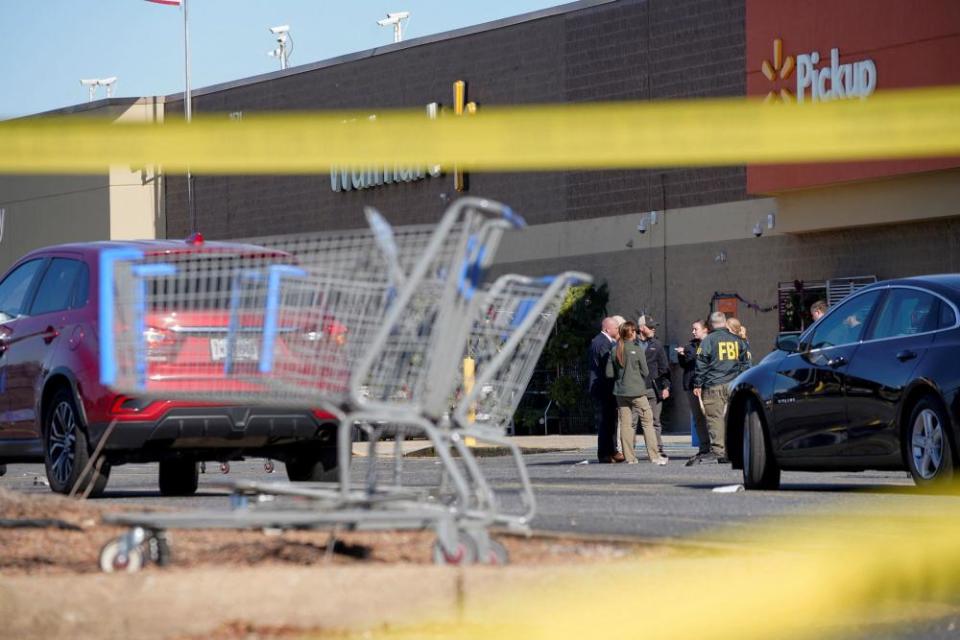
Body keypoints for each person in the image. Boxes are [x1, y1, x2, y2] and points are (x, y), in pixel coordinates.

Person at [686, 311, 749, 465]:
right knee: (732, 418)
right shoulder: (738, 340)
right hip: (733, 384)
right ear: (724, 322)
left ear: (711, 324)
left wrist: (698, 384)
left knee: (715, 419)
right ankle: (733, 450)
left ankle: (719, 451)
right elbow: (745, 362)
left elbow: (701, 364)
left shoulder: (708, 341)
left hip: (713, 384)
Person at [605, 321, 667, 465]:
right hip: (638, 392)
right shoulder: (637, 349)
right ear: (632, 332)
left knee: (626, 425)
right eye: (635, 331)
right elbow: (645, 371)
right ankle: (654, 456)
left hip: (621, 392)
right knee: (647, 422)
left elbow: (609, 373)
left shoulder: (615, 349)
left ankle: (630, 458)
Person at [636, 314, 671, 459]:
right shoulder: (632, 344)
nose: (653, 329)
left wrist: (666, 387)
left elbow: (665, 369)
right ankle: (628, 451)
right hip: (635, 389)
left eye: (654, 327)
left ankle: (657, 448)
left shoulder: (657, 345)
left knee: (655, 421)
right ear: (641, 328)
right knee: (632, 422)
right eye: (650, 327)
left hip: (652, 388)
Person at [588, 317, 621, 463]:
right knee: (606, 421)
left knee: (611, 420)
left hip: (606, 387)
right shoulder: (602, 343)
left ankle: (612, 450)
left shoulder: (604, 341)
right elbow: (608, 365)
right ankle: (604, 453)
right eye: (616, 328)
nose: (618, 330)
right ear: (608, 329)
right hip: (604, 387)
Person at [676, 320, 709, 456]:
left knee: (713, 417)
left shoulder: (711, 343)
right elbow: (686, 364)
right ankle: (704, 446)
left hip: (708, 385)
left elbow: (701, 360)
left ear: (705, 329)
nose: (693, 332)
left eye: (696, 329)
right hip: (691, 384)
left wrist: (688, 353)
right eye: (692, 329)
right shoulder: (690, 345)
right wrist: (681, 355)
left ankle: (718, 447)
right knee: (698, 417)